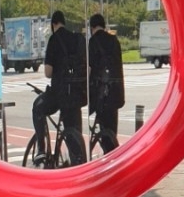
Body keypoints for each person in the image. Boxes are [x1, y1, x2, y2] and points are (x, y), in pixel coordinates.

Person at [30, 10, 87, 165]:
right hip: (77, 93)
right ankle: (78, 161)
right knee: (73, 130)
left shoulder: (54, 40)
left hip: (59, 94)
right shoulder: (76, 39)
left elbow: (48, 73)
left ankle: (41, 149)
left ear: (53, 24)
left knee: (37, 108)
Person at [87, 12, 125, 153]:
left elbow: (90, 68)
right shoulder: (114, 40)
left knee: (103, 129)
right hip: (116, 91)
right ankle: (114, 154)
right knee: (112, 129)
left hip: (102, 93)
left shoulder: (93, 41)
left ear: (92, 27)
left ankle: (108, 156)